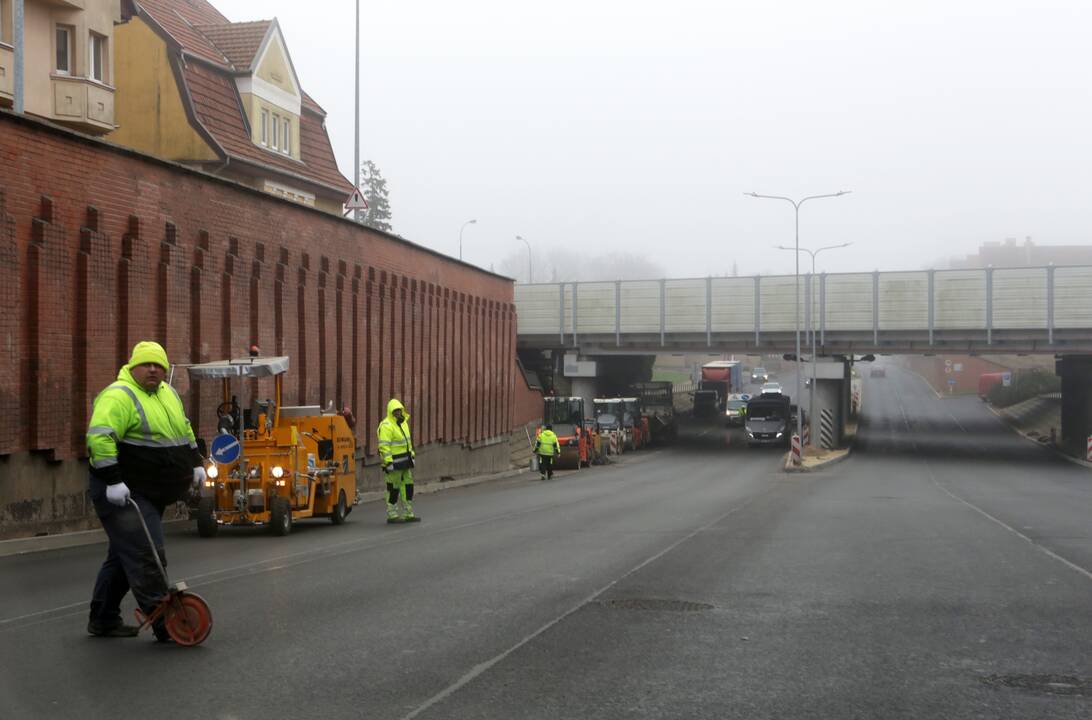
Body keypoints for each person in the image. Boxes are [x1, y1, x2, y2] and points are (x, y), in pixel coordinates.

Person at [85, 341, 205, 641]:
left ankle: (104, 619)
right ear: (133, 366)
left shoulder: (169, 394)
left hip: (152, 492)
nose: (153, 369)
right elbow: (100, 439)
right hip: (124, 492)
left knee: (123, 557)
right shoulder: (119, 395)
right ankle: (169, 623)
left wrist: (196, 462)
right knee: (146, 552)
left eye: (159, 365)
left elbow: (185, 429)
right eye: (147, 364)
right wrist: (112, 480)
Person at [377, 398, 418, 524]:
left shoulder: (403, 423)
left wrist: (411, 455)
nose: (398, 413)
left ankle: (408, 513)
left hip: (405, 462)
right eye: (395, 411)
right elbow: (384, 446)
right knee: (393, 488)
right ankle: (392, 514)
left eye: (399, 410)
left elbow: (407, 442)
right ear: (390, 412)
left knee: (408, 487)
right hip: (393, 464)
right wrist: (388, 462)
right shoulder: (386, 425)